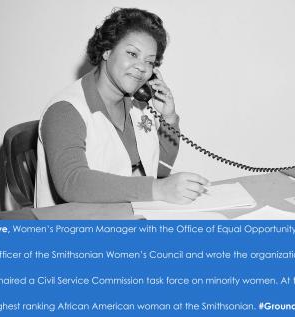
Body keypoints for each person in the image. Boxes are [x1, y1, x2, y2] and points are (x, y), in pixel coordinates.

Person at [35, 8, 209, 207]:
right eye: (132, 53)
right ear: (107, 50)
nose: (142, 67)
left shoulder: (137, 105)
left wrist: (168, 118)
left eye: (149, 61)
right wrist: (157, 189)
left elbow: (160, 170)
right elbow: (72, 182)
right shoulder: (65, 111)